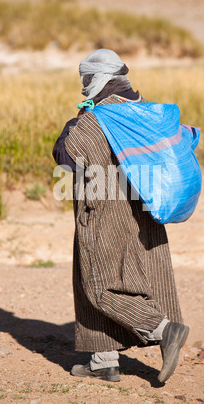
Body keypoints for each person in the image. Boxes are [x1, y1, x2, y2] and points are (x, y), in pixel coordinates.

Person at [52, 49, 189, 383]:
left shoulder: (95, 119)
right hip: (146, 210)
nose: (84, 87)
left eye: (86, 79)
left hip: (104, 211)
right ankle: (103, 360)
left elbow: (65, 156)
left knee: (98, 284)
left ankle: (163, 329)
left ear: (98, 78)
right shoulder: (145, 112)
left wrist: (74, 123)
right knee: (150, 276)